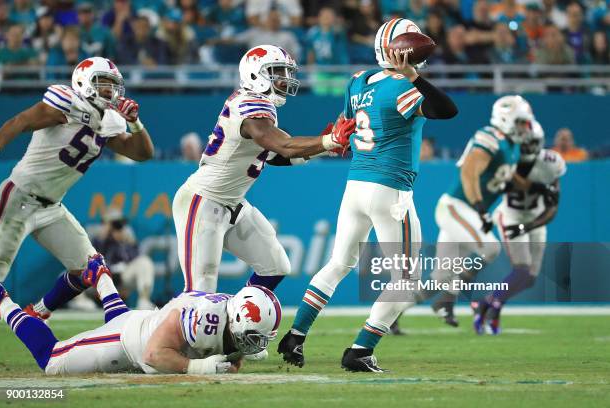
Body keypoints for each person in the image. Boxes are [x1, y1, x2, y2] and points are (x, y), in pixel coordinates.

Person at [278, 18, 458, 372]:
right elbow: (448, 111)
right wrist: (415, 78)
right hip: (390, 190)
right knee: (406, 282)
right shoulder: (399, 86)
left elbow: (341, 128)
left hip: (355, 186)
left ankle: (296, 335)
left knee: (337, 264)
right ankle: (361, 349)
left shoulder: (358, 82)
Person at [172, 45, 353, 295]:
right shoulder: (249, 103)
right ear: (255, 74)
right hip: (203, 199)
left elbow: (276, 156)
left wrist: (324, 148)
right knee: (199, 291)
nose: (285, 78)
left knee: (275, 266)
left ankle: (241, 321)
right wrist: (329, 140)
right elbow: (283, 145)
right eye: (277, 71)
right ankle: (160, 333)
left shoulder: (262, 107)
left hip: (233, 203)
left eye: (286, 72)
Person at [0, 57, 154, 321]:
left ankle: (38, 312)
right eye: (102, 82)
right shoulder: (67, 103)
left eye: (113, 84)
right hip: (19, 198)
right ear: (84, 82)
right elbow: (21, 121)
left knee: (89, 268)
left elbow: (142, 153)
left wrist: (135, 123)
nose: (109, 90)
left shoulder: (111, 121)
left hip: (52, 207)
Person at [0, 255, 281, 375]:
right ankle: (4, 303)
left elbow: (231, 353)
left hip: (146, 324)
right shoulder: (207, 321)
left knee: (122, 319)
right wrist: (197, 367)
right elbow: (152, 355)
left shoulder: (232, 318)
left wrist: (233, 356)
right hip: (129, 341)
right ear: (237, 320)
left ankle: (100, 275)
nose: (257, 344)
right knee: (51, 361)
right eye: (254, 337)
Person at [398, 95, 535, 328]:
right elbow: (469, 172)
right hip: (458, 208)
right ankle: (448, 298)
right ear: (506, 118)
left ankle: (392, 315)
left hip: (465, 214)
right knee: (490, 248)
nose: (525, 127)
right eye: (521, 121)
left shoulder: (511, 146)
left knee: (440, 279)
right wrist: (481, 208)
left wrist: (533, 186)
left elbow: (505, 177)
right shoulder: (490, 137)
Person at [473, 120, 566, 334]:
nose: (526, 148)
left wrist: (528, 226)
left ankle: (486, 302)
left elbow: (552, 208)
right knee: (522, 269)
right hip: (511, 217)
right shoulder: (507, 160)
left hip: (535, 219)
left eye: (530, 143)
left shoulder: (550, 162)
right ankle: (494, 308)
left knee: (530, 278)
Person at [92, 208, 156, 310]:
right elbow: (94, 260)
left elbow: (135, 259)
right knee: (78, 271)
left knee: (145, 262)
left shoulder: (126, 237)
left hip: (123, 277)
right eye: (114, 224)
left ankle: (144, 300)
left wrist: (126, 243)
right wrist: (103, 238)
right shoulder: (98, 238)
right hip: (103, 278)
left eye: (119, 224)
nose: (117, 227)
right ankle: (81, 301)